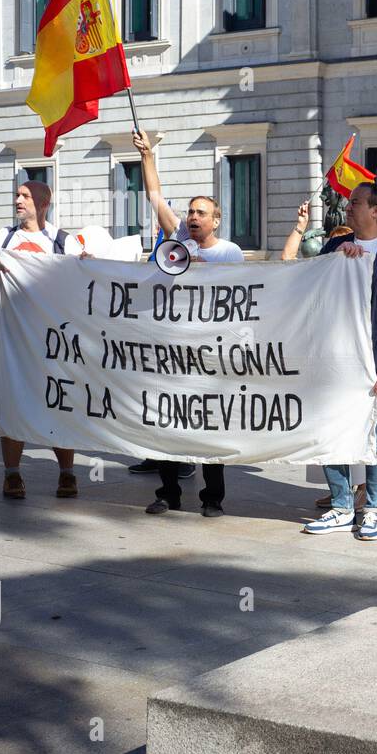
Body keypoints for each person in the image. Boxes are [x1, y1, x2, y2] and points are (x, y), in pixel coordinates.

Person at [134, 130, 243, 517]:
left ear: (216, 220)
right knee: (166, 421)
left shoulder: (229, 253)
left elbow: (236, 300)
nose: (193, 217)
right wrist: (148, 155)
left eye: (201, 213)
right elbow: (155, 196)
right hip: (170, 349)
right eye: (191, 212)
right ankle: (168, 494)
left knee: (209, 425)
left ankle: (212, 498)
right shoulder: (176, 238)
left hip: (208, 352)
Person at [303, 182, 377, 539]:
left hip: (374, 363)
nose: (347, 207)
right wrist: (336, 259)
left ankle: (374, 510)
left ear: (375, 210)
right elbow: (312, 290)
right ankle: (340, 506)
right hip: (335, 361)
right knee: (330, 431)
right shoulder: (336, 246)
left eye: (355, 202)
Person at [0, 181, 84, 499]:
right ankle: (12, 475)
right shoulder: (4, 237)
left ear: (44, 203)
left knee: (59, 403)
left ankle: (67, 474)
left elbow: (86, 280)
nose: (18, 200)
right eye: (17, 194)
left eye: (25, 196)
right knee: (12, 402)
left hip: (54, 339)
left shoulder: (61, 241)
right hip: (13, 338)